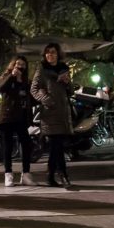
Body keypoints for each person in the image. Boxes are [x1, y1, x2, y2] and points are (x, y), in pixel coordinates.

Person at [30, 42, 73, 188]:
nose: (50, 55)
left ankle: (50, 176)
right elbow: (34, 89)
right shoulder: (42, 69)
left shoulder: (64, 69)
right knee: (57, 144)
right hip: (49, 113)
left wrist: (67, 83)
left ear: (58, 54)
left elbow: (70, 92)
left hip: (62, 112)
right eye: (47, 52)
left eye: (53, 52)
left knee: (57, 146)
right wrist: (46, 99)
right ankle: (63, 175)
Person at [0, 55, 36, 187]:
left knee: (26, 144)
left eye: (23, 65)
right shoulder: (6, 77)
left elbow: (33, 99)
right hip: (7, 117)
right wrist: (12, 76)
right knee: (7, 146)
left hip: (21, 118)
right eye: (17, 64)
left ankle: (26, 174)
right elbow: (1, 88)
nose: (20, 67)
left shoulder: (27, 82)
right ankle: (8, 174)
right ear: (13, 65)